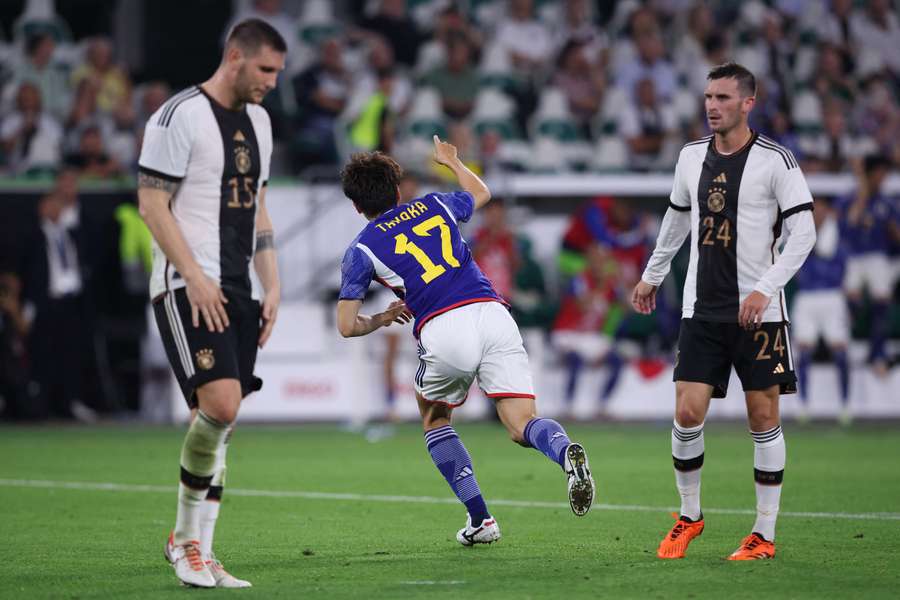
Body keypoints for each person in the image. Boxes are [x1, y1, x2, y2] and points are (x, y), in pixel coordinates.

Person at [336, 136, 596, 545]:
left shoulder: (361, 250)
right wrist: (452, 162)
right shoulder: (435, 205)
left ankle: (482, 520)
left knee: (435, 417)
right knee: (521, 423)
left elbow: (347, 326)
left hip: (444, 326)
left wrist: (383, 317)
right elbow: (481, 192)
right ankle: (565, 453)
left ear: (356, 206)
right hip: (494, 315)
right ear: (399, 189)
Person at [632, 63, 817, 561]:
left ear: (748, 103)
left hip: (760, 313)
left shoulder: (777, 160)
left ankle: (764, 533)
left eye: (723, 97)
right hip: (702, 310)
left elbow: (804, 235)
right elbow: (676, 219)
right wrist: (653, 274)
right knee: (687, 412)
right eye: (708, 96)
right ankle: (689, 516)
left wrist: (764, 288)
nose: (712, 105)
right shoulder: (691, 156)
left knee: (763, 416)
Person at [136, 19, 285, 588]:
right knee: (220, 406)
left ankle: (203, 549)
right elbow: (152, 204)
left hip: (239, 286)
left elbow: (259, 208)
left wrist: (273, 284)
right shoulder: (178, 116)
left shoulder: (261, 123)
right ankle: (183, 541)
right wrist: (194, 276)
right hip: (185, 283)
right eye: (265, 69)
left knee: (224, 421)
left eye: (277, 71)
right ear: (235, 57)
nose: (271, 82)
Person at [792, 199, 852, 423]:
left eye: (823, 209)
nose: (818, 214)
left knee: (840, 352)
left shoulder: (838, 239)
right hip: (807, 297)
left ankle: (845, 405)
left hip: (831, 296)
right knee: (804, 353)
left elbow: (845, 267)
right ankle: (804, 406)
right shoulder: (799, 234)